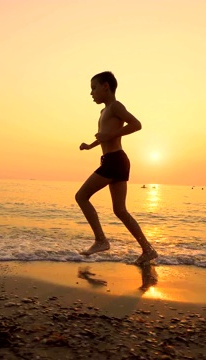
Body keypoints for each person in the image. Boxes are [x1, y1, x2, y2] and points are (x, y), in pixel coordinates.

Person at [76, 71, 158, 265]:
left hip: (114, 160)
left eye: (94, 88)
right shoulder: (103, 111)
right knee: (120, 210)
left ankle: (101, 240)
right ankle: (148, 250)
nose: (91, 93)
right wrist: (90, 145)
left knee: (81, 196)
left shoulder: (115, 106)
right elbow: (105, 135)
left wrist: (109, 136)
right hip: (116, 160)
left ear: (106, 86)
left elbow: (136, 124)